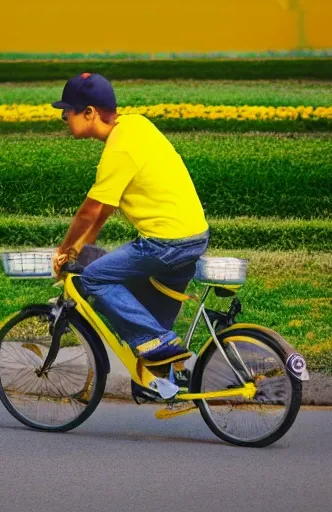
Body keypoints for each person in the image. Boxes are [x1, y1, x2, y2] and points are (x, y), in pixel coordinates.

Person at [51, 72, 209, 363]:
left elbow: (88, 212)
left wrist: (63, 250)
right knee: (152, 329)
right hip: (194, 237)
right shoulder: (136, 125)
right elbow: (104, 210)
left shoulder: (118, 149)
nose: (64, 120)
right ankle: (163, 382)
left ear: (89, 113)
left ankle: (157, 340)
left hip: (165, 244)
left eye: (66, 113)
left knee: (95, 278)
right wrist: (82, 246)